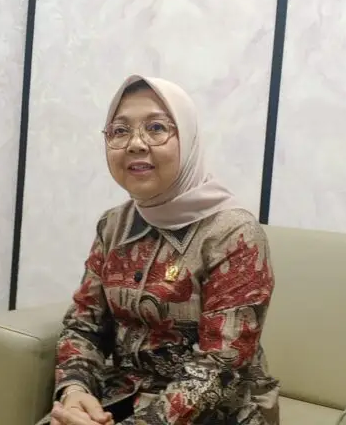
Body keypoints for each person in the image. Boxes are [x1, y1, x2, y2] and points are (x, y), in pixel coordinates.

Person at [43, 75, 279, 425]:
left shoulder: (233, 233)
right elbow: (85, 324)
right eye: (120, 131)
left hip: (217, 412)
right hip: (121, 396)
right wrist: (75, 392)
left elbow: (220, 368)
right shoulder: (113, 226)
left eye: (156, 128)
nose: (136, 144)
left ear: (189, 139)